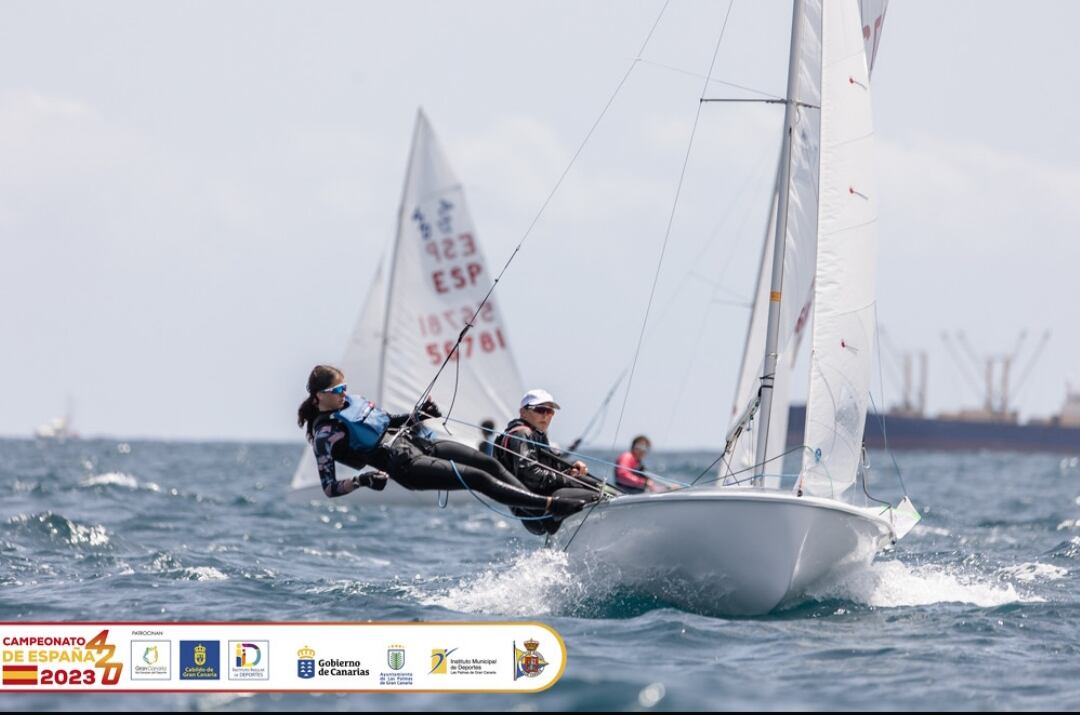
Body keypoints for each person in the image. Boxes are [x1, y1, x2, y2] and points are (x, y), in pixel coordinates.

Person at [296, 365, 590, 520]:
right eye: (338, 390)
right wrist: (363, 481)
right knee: (478, 477)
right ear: (319, 396)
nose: (344, 394)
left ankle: (533, 509)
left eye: (345, 387)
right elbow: (329, 488)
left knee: (487, 462)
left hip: (419, 444)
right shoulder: (325, 434)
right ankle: (550, 505)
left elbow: (389, 423)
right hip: (406, 467)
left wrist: (419, 415)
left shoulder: (348, 406)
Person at [495, 389, 604, 534]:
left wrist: (569, 470)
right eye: (540, 410)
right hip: (538, 510)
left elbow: (547, 467)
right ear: (523, 412)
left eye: (550, 412)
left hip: (539, 508)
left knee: (591, 482)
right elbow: (530, 475)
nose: (546, 416)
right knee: (599, 493)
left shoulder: (537, 434)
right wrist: (567, 479)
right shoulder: (522, 434)